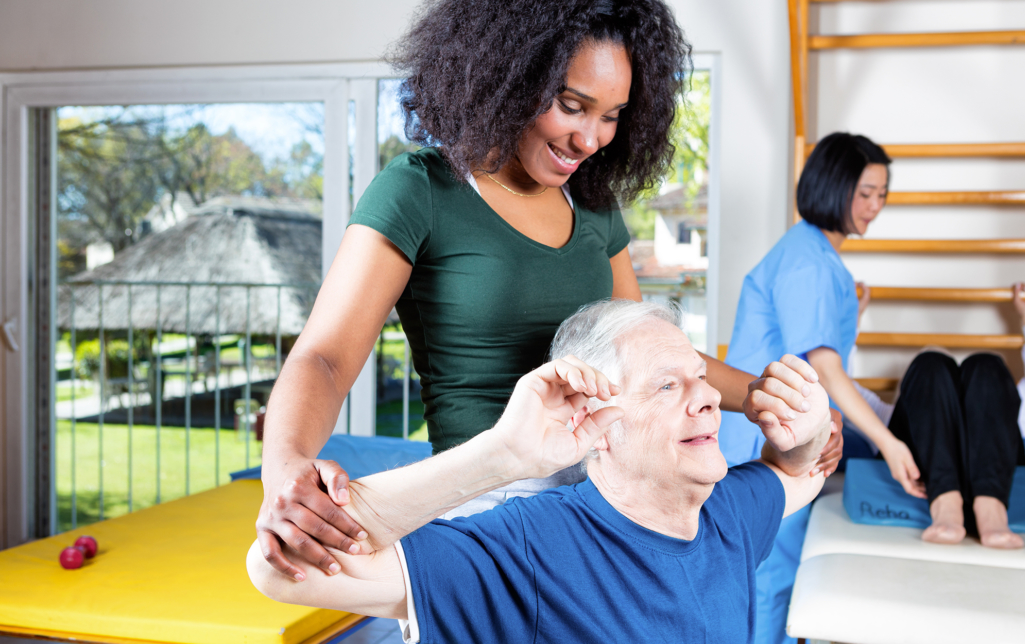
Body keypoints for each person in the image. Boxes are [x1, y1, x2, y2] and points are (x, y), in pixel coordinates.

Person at [255, 0, 842, 583]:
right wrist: (284, 468)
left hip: (610, 499)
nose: (590, 138)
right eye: (571, 105)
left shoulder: (590, 203)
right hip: (489, 513)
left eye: (612, 115)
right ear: (507, 77)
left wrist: (776, 401)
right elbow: (325, 359)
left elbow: (654, 358)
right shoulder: (420, 191)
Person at [247, 300, 835, 643]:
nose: (708, 398)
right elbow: (282, 570)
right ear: (596, 423)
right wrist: (505, 454)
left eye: (699, 379)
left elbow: (800, 475)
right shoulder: (533, 547)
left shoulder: (729, 510)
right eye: (665, 385)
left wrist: (806, 433)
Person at [718, 132, 916, 644]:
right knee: (770, 578)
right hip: (763, 437)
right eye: (865, 192)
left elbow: (807, 348)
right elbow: (825, 370)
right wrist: (891, 445)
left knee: (772, 575)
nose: (874, 207)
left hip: (777, 431)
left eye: (882, 195)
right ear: (834, 186)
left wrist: (851, 310)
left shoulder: (812, 254)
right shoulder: (810, 263)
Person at [846, 283, 1025, 549]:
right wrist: (852, 318)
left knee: (986, 364)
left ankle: (991, 508)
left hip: (995, 475)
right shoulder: (885, 423)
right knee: (931, 362)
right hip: (923, 479)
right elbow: (841, 388)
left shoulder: (999, 410)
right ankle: (946, 503)